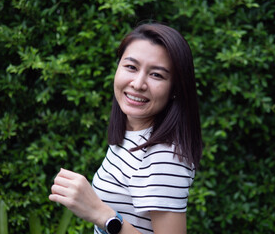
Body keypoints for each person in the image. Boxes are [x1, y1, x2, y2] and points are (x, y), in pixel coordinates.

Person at [49, 22, 203, 234]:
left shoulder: (164, 157)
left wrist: (101, 214)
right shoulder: (133, 133)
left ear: (175, 88)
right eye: (131, 67)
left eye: (156, 75)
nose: (138, 83)